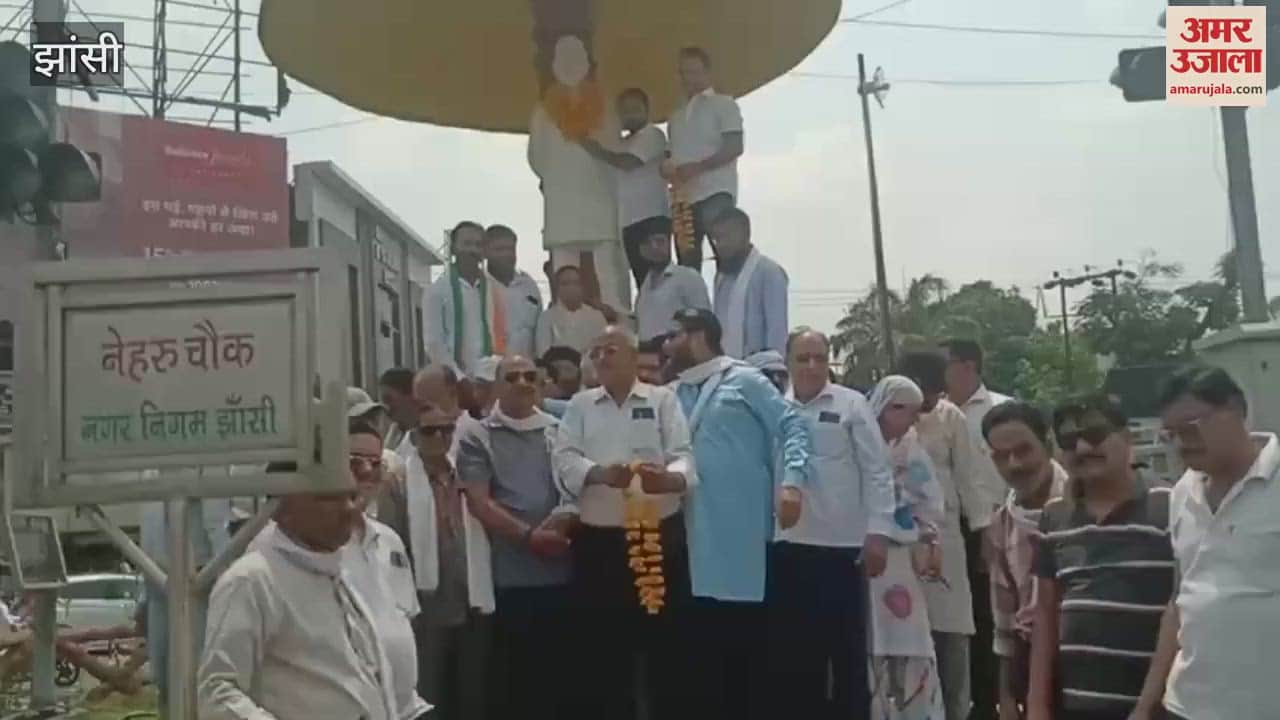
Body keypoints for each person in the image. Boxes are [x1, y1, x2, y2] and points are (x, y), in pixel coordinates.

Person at [664, 308, 811, 720]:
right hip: (688, 542)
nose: (665, 346)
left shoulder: (744, 380)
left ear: (698, 337)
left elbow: (794, 425)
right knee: (699, 668)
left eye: (673, 336)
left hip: (742, 541)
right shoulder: (670, 394)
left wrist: (792, 484)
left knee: (749, 662)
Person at [554, 325, 696, 720]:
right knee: (603, 653)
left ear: (633, 357)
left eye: (610, 350)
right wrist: (599, 474)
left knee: (664, 649)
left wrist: (669, 479)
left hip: (657, 537)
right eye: (595, 352)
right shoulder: (580, 406)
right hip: (600, 544)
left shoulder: (662, 400)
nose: (601, 358)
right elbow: (564, 460)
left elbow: (683, 455)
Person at [1131, 366, 1280, 720]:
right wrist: (1146, 703)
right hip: (1189, 705)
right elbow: (1181, 601)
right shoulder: (1183, 491)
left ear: (1237, 410)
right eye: (1171, 434)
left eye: (1191, 428)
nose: (1182, 443)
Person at [198, 465, 397, 720]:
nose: (349, 508)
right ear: (282, 509)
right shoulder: (252, 580)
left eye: (350, 496)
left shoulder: (340, 572)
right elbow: (217, 693)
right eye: (329, 498)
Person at [767, 328, 895, 718]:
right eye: (803, 358)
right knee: (796, 658)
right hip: (787, 547)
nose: (812, 366)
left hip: (842, 550)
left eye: (820, 358)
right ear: (787, 362)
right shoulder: (773, 408)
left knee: (847, 657)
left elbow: (878, 471)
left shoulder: (851, 405)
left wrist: (878, 533)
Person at [1027, 395, 1175, 720]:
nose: (1081, 448)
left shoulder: (1172, 506)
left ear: (1126, 437)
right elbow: (1046, 615)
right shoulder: (1055, 517)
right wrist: (1037, 706)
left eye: (1094, 434)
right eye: (1068, 440)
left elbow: (1182, 607)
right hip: (1078, 703)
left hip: (1156, 704)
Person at [458, 355, 575, 720]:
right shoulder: (477, 436)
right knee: (516, 688)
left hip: (565, 575)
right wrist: (529, 538)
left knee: (562, 685)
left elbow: (574, 490)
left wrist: (563, 524)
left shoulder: (562, 430)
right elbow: (479, 500)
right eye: (512, 377)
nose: (523, 383)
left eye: (530, 376)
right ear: (495, 387)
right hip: (511, 581)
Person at [379, 367, 495, 720]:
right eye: (430, 432)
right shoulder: (398, 481)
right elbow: (389, 543)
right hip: (425, 606)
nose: (440, 438)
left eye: (446, 430)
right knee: (430, 698)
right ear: (415, 436)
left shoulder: (469, 474)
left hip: (472, 599)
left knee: (473, 698)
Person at [898, 350, 979, 720]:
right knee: (907, 637)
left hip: (946, 541)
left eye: (933, 396)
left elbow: (970, 480)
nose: (928, 404)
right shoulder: (884, 419)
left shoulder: (951, 418)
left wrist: (985, 535)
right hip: (899, 545)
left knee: (952, 637)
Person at [528, 35, 629, 314]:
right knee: (564, 255)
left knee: (605, 254)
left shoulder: (604, 105)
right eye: (565, 59)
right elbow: (535, 154)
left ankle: (614, 303)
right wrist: (553, 176)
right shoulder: (543, 110)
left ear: (587, 63)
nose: (571, 65)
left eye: (577, 58)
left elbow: (613, 146)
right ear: (556, 65)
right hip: (561, 193)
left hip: (597, 189)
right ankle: (564, 306)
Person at [866, 375, 947, 720]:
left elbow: (931, 504)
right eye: (899, 408)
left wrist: (927, 539)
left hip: (900, 562)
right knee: (867, 639)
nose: (907, 419)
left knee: (908, 637)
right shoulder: (857, 444)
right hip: (862, 560)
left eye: (914, 412)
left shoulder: (913, 451)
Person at [980, 402, 1067, 720]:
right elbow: (1004, 618)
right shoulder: (1003, 523)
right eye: (1002, 456)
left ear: (1048, 445)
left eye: (1023, 450)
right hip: (1030, 667)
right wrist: (1005, 698)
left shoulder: (1082, 508)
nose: (1014, 464)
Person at [942, 337, 1011, 719]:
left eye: (946, 364)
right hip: (950, 533)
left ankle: (993, 703)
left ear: (968, 366)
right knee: (957, 625)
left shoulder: (1003, 410)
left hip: (998, 529)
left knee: (996, 621)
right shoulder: (932, 414)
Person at [581, 88, 671, 289]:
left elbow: (628, 163)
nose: (631, 115)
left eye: (636, 109)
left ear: (647, 111)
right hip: (629, 222)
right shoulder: (622, 142)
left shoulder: (652, 134)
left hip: (652, 217)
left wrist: (594, 149)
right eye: (626, 110)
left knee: (657, 279)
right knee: (644, 283)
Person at [664, 46, 743, 270]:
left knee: (727, 255)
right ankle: (694, 306)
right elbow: (672, 154)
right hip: (683, 200)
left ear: (707, 72)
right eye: (684, 72)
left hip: (714, 192)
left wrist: (698, 168)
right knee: (687, 267)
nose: (688, 78)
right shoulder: (676, 116)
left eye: (693, 71)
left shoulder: (724, 104)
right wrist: (667, 167)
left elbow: (735, 146)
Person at [423, 221, 510, 377]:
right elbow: (434, 344)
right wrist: (459, 378)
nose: (473, 250)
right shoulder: (437, 291)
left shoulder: (496, 290)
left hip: (491, 377)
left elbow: (504, 337)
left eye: (478, 245)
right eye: (467, 244)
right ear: (453, 249)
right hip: (451, 379)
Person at [709, 209, 787, 359]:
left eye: (726, 237)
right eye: (717, 239)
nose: (721, 245)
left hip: (760, 369)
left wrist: (772, 371)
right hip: (725, 370)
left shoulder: (769, 272)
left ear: (745, 234)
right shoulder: (721, 278)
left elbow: (777, 331)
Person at [634, 221, 711, 344]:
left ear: (669, 243)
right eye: (648, 243)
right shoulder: (643, 289)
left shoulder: (686, 276)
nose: (654, 247)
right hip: (648, 356)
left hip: (681, 355)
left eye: (660, 241)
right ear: (641, 250)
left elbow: (705, 322)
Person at [484, 224, 542, 360]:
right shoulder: (478, 288)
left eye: (510, 249)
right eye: (499, 249)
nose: (507, 255)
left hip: (526, 372)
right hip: (490, 372)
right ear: (485, 252)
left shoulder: (529, 285)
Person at [536, 265, 608, 357]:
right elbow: (543, 353)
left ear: (583, 287)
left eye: (576, 283)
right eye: (565, 284)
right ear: (557, 288)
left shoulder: (597, 317)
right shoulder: (546, 318)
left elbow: (604, 350)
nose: (571, 288)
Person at [380, 367, 418, 452]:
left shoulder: (431, 433)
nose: (386, 407)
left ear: (410, 396)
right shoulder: (394, 432)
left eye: (388, 399)